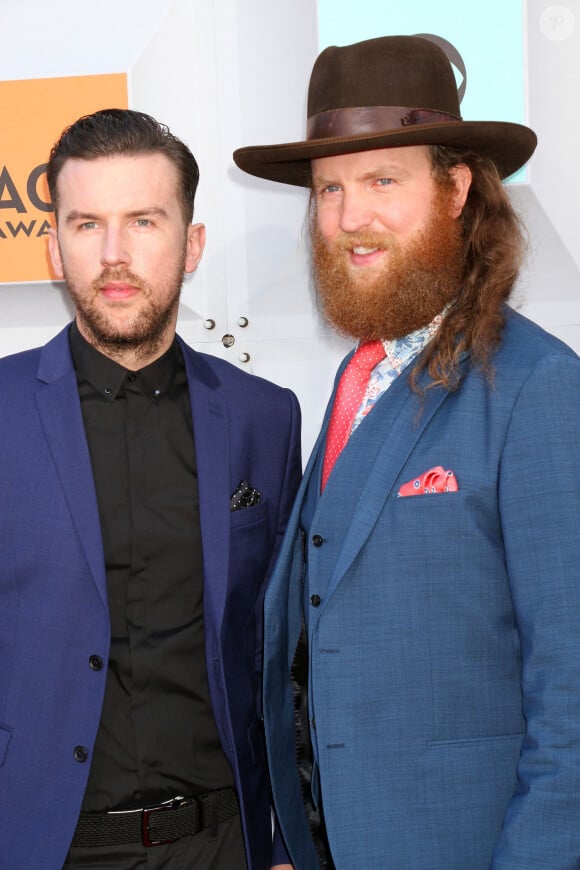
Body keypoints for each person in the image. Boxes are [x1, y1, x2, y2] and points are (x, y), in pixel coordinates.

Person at [233, 35, 580, 869]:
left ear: (457, 188)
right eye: (330, 189)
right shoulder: (359, 378)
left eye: (384, 180)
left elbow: (572, 700)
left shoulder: (540, 390)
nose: (352, 218)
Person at [0, 108, 299, 870]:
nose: (113, 255)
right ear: (53, 248)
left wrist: (297, 835)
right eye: (86, 224)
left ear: (191, 243)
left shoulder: (267, 419)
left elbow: (291, 649)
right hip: (44, 845)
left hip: (225, 844)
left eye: (143, 221)